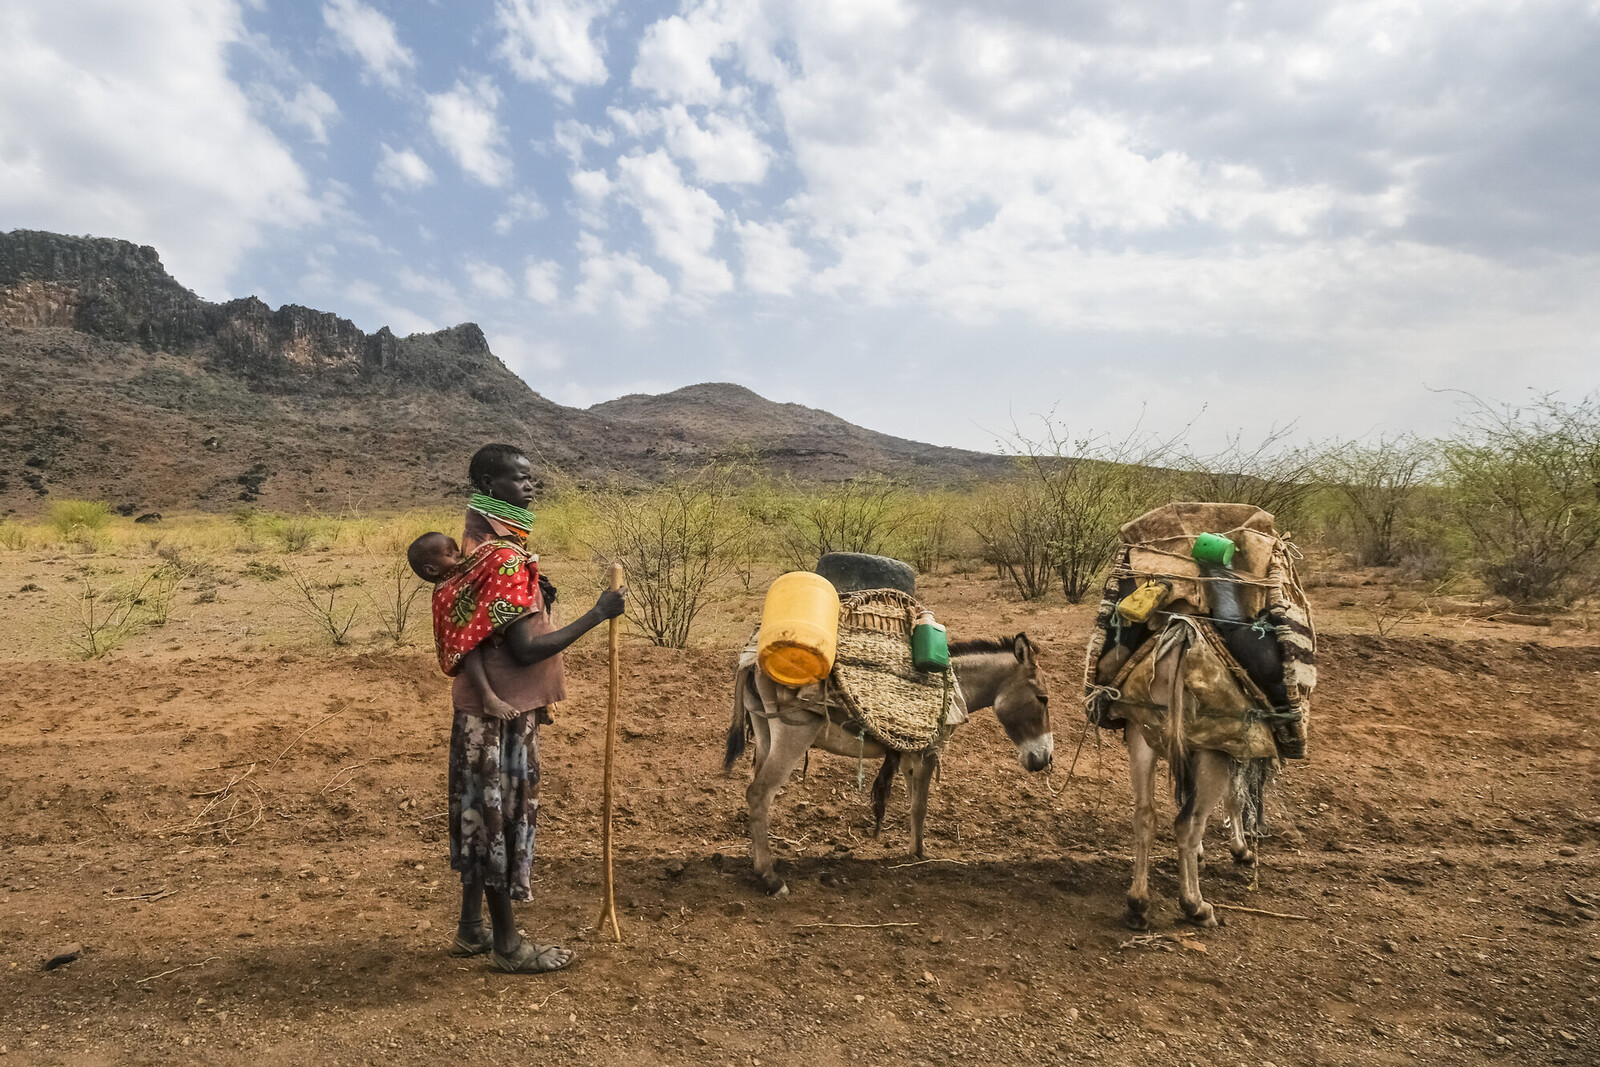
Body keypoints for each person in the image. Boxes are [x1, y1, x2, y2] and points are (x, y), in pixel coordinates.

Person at [431, 443, 625, 974]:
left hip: (482, 710)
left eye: (530, 477)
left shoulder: (476, 545)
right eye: (519, 479)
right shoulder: (504, 556)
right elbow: (524, 649)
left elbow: (492, 620)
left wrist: (539, 598)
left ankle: (472, 929)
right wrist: (597, 613)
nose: (529, 486)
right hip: (501, 714)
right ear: (490, 485)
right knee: (498, 820)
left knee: (481, 815)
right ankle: (507, 945)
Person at [407, 531, 524, 721]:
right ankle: (488, 697)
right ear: (432, 570)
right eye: (450, 554)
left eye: (458, 551)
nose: (459, 557)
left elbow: (481, 611)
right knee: (470, 649)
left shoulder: (461, 582)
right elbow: (462, 628)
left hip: (474, 639)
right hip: (464, 648)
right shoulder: (445, 592)